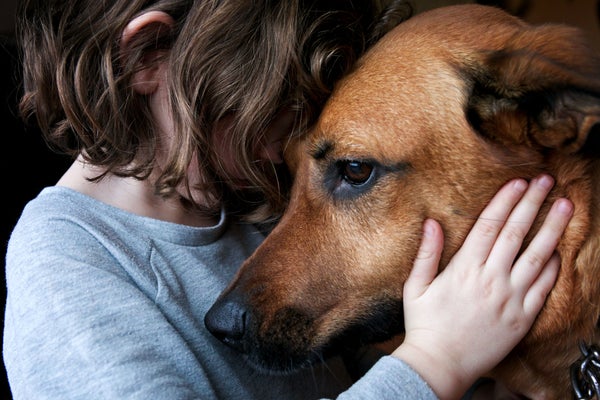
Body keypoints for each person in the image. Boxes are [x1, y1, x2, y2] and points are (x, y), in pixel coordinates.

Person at [3, 0, 573, 399]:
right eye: (273, 103)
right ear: (147, 56)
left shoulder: (249, 198)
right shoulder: (64, 262)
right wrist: (434, 363)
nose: (280, 148)